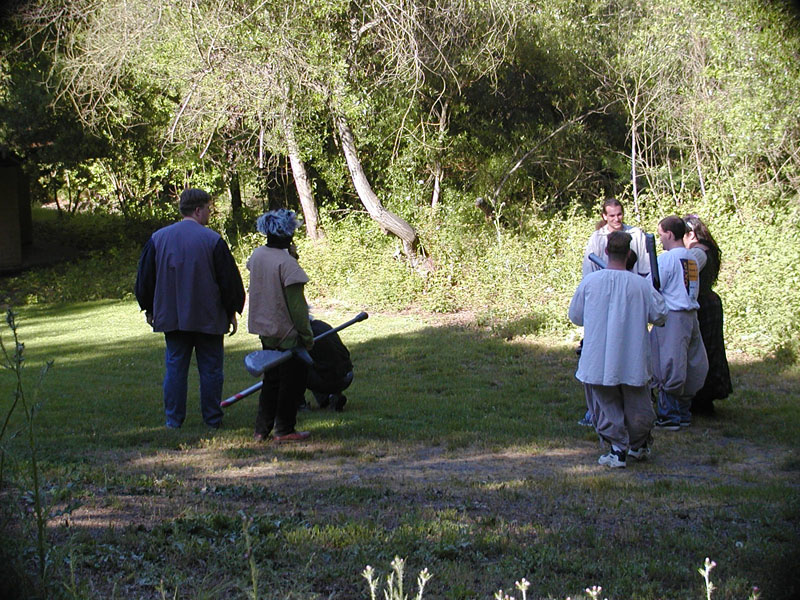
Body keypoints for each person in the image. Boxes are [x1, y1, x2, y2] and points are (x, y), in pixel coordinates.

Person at [135, 188, 245, 429]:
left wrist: (149, 308)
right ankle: (212, 419)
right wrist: (232, 310)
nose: (209, 213)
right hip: (208, 316)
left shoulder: (158, 239)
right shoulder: (213, 240)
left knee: (175, 367)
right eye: (208, 208)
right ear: (198, 210)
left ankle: (173, 420)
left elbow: (145, 279)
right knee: (211, 369)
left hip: (172, 316)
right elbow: (228, 280)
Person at [569, 231, 667, 468]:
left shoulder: (591, 282)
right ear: (629, 253)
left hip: (599, 354)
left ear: (606, 251)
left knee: (606, 403)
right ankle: (636, 444)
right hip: (632, 354)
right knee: (638, 403)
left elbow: (576, 316)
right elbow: (660, 315)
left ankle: (619, 448)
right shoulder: (641, 285)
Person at [577, 198, 651, 427]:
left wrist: (636, 289)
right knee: (598, 356)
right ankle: (597, 412)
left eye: (619, 214)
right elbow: (589, 274)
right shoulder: (597, 238)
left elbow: (645, 269)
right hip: (603, 300)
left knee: (629, 354)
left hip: (629, 296)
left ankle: (632, 417)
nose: (616, 219)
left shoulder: (635, 235)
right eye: (611, 215)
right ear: (604, 216)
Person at [247, 209, 314, 442]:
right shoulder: (287, 264)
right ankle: (285, 430)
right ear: (288, 234)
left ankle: (261, 430)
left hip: (265, 330)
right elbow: (298, 308)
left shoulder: (257, 255)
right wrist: (307, 335)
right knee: (292, 382)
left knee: (271, 380)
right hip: (287, 333)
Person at [650, 215, 709, 431]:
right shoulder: (691, 257)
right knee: (689, 362)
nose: (660, 240)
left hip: (673, 316)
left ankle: (670, 415)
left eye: (661, 235)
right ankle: (683, 411)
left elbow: (652, 287)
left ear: (669, 234)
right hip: (690, 315)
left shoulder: (667, 259)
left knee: (669, 364)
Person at [683, 215, 733, 414]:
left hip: (703, 304)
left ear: (691, 234)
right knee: (708, 350)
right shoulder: (705, 249)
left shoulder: (697, 253)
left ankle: (701, 398)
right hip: (708, 302)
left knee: (701, 352)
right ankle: (703, 398)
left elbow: (684, 278)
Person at [306, 317, 354, 411]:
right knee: (319, 363)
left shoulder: (304, 334)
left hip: (329, 379)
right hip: (348, 374)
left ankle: (300, 404)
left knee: (292, 367)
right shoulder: (322, 325)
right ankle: (329, 398)